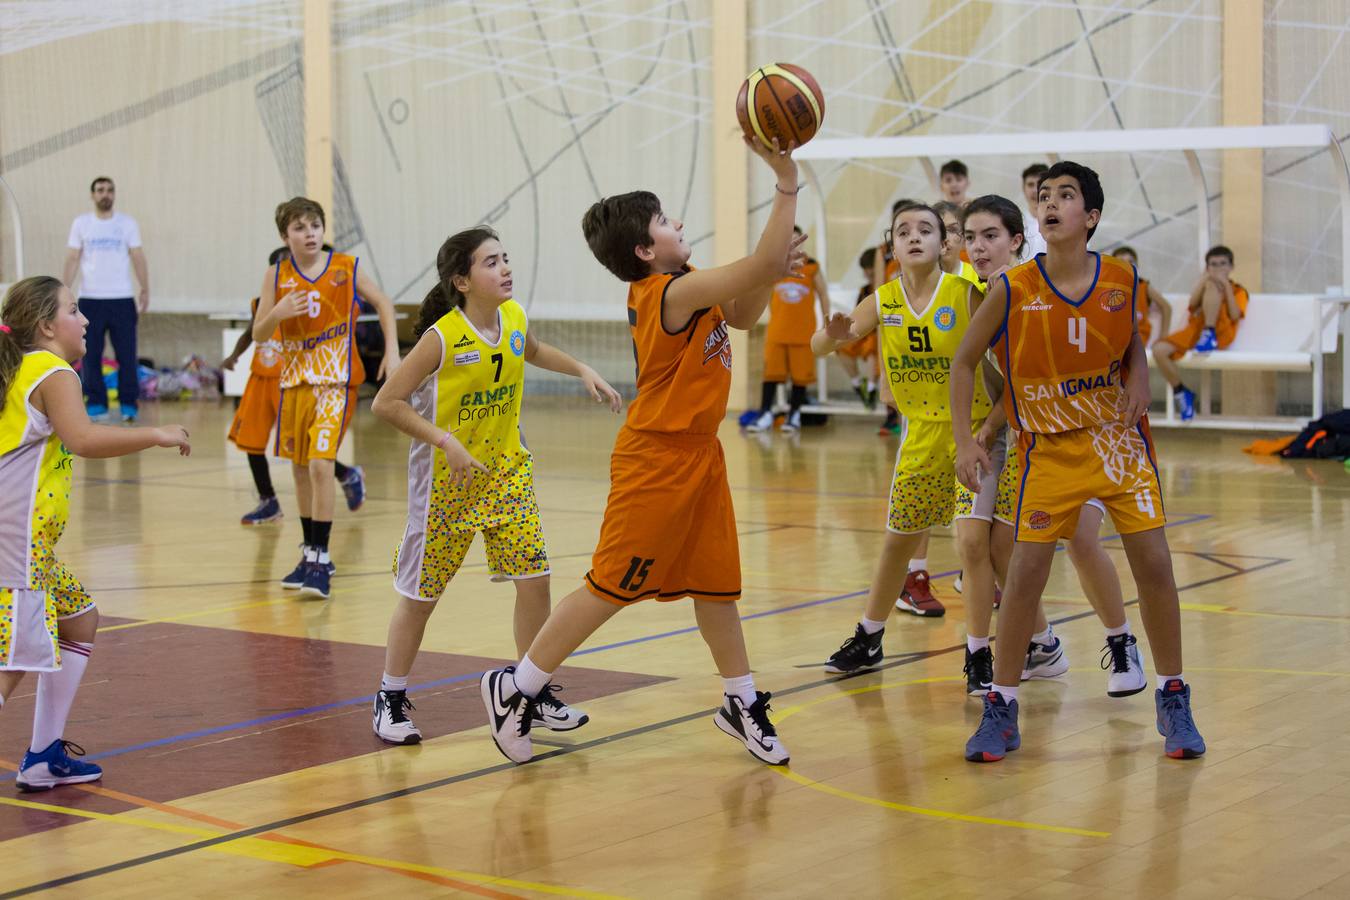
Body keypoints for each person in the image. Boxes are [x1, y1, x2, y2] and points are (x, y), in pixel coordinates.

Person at [479, 136, 803, 766]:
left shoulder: (686, 284)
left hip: (700, 455)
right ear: (644, 250)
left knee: (716, 587)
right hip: (655, 458)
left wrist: (774, 268)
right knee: (610, 587)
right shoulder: (666, 294)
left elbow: (744, 311)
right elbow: (755, 268)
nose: (678, 222)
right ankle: (516, 688)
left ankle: (739, 700)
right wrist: (784, 183)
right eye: (663, 219)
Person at [952, 162, 1204, 762]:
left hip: (1118, 445)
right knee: (1024, 581)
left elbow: (1131, 342)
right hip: (1050, 452)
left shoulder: (1121, 279)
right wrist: (967, 440)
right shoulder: (1012, 288)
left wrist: (1140, 376)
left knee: (1156, 567)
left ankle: (1172, 695)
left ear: (1090, 217)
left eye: (1066, 195)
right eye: (1045, 195)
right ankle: (1003, 706)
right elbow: (964, 363)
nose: (1051, 202)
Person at [370, 227, 622, 745]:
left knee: (536, 579)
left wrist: (580, 369)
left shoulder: (512, 317)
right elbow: (385, 403)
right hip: (445, 487)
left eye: (506, 258)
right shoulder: (440, 338)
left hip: (506, 474)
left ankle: (530, 690)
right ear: (462, 280)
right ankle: (389, 698)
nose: (505, 268)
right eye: (491, 262)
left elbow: (530, 349)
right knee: (421, 598)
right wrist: (444, 441)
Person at [0, 276, 190, 790]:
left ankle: (43, 755)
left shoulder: (19, 367)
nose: (85, 320)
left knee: (79, 618)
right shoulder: (52, 370)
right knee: (14, 656)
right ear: (45, 325)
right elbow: (82, 439)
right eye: (73, 309)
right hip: (14, 540)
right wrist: (155, 433)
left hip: (28, 542)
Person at [955, 195, 1146, 699]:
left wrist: (993, 423)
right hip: (1033, 436)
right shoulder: (980, 294)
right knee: (996, 547)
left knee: (1082, 540)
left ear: (1017, 240)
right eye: (971, 237)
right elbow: (993, 376)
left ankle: (1121, 639)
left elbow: (1116, 344)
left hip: (1094, 428)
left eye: (990, 236)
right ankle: (1035, 648)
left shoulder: (1039, 286)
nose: (979, 247)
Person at [816, 201, 990, 673]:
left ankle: (980, 651)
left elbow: (994, 365)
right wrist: (832, 337)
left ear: (943, 243)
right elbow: (823, 344)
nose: (914, 237)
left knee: (974, 544)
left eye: (925, 230)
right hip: (921, 433)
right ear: (892, 246)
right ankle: (869, 638)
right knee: (898, 541)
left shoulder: (966, 290)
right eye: (903, 231)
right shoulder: (885, 298)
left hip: (975, 429)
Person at [252, 198, 401, 599]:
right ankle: (311, 552)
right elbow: (259, 334)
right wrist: (278, 312)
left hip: (335, 381)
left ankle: (320, 558)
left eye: (315, 225)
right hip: (294, 382)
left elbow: (383, 303)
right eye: (300, 228)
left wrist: (392, 350)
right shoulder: (276, 274)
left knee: (320, 465)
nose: (311, 233)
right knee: (301, 469)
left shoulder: (345, 267)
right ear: (286, 236)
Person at [222, 246, 367, 524]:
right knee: (250, 442)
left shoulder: (313, 302)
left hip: (292, 379)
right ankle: (268, 501)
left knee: (305, 448)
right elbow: (252, 332)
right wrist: (234, 356)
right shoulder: (265, 303)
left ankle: (346, 474)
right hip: (259, 378)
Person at [61, 177, 149, 423]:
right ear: (92, 195)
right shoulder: (81, 224)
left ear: (114, 194)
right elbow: (72, 258)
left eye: (109, 190)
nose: (105, 194)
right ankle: (96, 402)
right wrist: (63, 291)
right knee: (90, 354)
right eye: (100, 190)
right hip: (90, 299)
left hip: (121, 299)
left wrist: (145, 288)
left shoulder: (127, 224)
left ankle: (129, 404)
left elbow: (138, 257)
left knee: (127, 354)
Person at [747, 225, 830, 433]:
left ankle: (794, 415)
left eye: (795, 239)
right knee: (771, 374)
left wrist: (827, 323)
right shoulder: (775, 266)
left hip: (803, 331)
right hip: (778, 329)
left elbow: (824, 295)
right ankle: (765, 413)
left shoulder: (811, 266)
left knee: (800, 377)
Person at [1151, 245, 1248, 421]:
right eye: (1213, 265)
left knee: (1214, 287)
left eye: (1223, 264)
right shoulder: (1206, 284)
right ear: (1207, 267)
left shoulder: (1238, 290)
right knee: (1159, 350)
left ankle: (1209, 334)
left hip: (1221, 333)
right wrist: (1205, 280)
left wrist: (1224, 285)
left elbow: (1235, 315)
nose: (1218, 269)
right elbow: (1193, 304)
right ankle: (1181, 392)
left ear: (1231, 267)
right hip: (1195, 332)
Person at [834, 249, 879, 410]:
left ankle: (872, 388)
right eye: (866, 271)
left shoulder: (889, 287)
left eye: (870, 271)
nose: (867, 275)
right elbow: (858, 318)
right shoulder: (864, 290)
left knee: (872, 349)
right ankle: (858, 384)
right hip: (864, 332)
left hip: (881, 334)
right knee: (841, 347)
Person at [1111, 246, 1172, 347]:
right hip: (1115, 335)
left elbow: (1167, 307)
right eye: (1122, 262)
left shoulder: (1143, 286)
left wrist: (1163, 337)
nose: (1127, 266)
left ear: (1137, 266)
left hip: (1137, 336)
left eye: (1131, 262)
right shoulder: (1109, 288)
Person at [1019, 163, 1049, 258]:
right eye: (1030, 185)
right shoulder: (1016, 223)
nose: (1035, 190)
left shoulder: (1063, 223)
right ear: (1023, 189)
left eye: (1040, 184)